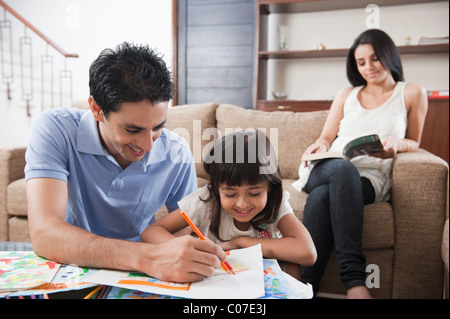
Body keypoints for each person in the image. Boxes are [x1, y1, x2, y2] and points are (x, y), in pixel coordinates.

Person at [25, 42, 227, 283]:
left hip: (143, 274)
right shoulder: (55, 129)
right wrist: (149, 258)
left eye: (158, 128)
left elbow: (185, 228)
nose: (149, 145)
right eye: (133, 129)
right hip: (72, 266)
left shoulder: (176, 151)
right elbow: (45, 233)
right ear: (97, 109)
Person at [295, 29, 428, 298]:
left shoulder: (412, 92)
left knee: (321, 198)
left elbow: (414, 140)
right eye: (361, 62)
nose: (369, 67)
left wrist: (396, 144)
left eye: (375, 58)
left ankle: (305, 287)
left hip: (369, 180)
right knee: (343, 169)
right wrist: (320, 145)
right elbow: (326, 136)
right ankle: (355, 281)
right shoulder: (347, 94)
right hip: (327, 167)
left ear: (389, 55)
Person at [141, 130, 317, 274]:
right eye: (230, 194)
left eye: (254, 193)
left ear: (270, 187)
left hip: (262, 282)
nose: (242, 204)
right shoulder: (206, 201)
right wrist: (185, 249)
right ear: (217, 189)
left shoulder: (275, 205)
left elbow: (307, 252)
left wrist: (241, 243)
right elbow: (151, 232)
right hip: (217, 282)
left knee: (293, 269)